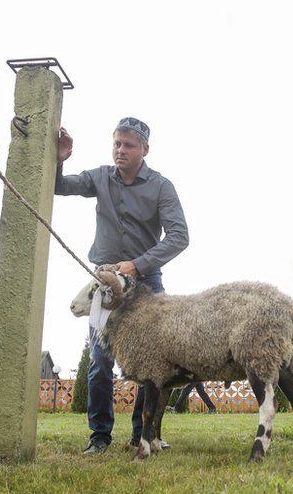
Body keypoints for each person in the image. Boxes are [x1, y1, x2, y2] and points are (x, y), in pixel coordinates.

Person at [55, 117, 189, 455]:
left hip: (146, 282)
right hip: (106, 283)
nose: (121, 150)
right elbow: (60, 186)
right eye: (117, 143)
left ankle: (143, 433)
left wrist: (138, 263)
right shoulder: (99, 177)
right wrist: (58, 161)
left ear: (145, 149)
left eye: (129, 145)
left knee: (153, 364)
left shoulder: (161, 186)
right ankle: (99, 435)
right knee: (100, 360)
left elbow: (179, 237)